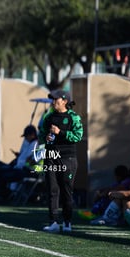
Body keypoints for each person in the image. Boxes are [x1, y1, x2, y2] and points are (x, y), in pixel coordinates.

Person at [39, 90, 83, 233]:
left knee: (66, 190)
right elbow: (42, 133)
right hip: (51, 156)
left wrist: (60, 133)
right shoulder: (49, 116)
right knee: (52, 189)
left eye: (55, 99)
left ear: (64, 101)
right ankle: (53, 222)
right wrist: (45, 137)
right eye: (52, 99)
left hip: (67, 159)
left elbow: (78, 136)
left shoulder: (73, 117)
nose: (53, 102)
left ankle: (67, 222)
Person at [0, 125, 41, 205]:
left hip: (25, 171)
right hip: (20, 169)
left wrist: (23, 161)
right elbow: (26, 158)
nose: (25, 138)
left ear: (32, 135)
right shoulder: (31, 144)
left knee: (2, 176)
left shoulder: (35, 144)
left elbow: (29, 160)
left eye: (27, 136)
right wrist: (19, 157)